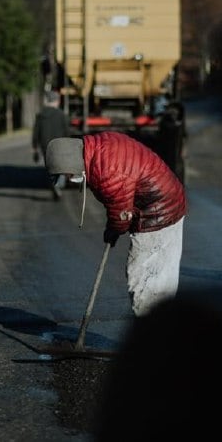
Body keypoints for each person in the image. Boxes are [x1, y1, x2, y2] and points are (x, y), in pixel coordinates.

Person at [45, 131, 187, 316]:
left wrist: (114, 229)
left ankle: (153, 336)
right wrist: (113, 227)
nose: (70, 178)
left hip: (159, 212)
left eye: (66, 174)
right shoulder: (97, 147)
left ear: (71, 165)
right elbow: (119, 204)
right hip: (166, 201)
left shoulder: (107, 171)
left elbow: (122, 213)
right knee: (159, 279)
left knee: (143, 279)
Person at [32, 91, 71, 199]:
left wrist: (35, 148)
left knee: (50, 166)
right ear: (57, 101)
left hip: (46, 145)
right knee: (60, 166)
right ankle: (58, 185)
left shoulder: (40, 115)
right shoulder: (61, 115)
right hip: (60, 145)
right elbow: (67, 131)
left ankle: (54, 184)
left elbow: (36, 133)